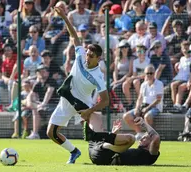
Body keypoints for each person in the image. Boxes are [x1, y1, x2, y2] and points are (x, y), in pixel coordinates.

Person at [46, 7, 109, 164]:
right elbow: (74, 36)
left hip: (83, 105)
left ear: (99, 59)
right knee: (51, 133)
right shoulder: (80, 55)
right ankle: (74, 152)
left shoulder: (98, 77)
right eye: (87, 54)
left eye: (91, 56)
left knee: (96, 133)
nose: (87, 57)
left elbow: (106, 100)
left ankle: (109, 153)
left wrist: (90, 110)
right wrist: (65, 17)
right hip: (67, 99)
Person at [86, 116, 160, 165]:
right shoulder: (137, 152)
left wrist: (143, 123)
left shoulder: (151, 155)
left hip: (104, 157)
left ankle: (94, 135)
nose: (141, 139)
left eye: (145, 138)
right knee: (94, 116)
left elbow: (156, 137)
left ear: (151, 143)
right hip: (98, 149)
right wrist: (113, 134)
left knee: (132, 138)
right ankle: (94, 134)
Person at [123, 65, 164, 140]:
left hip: (155, 107)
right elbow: (140, 98)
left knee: (147, 116)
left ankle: (151, 135)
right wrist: (137, 108)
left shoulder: (159, 83)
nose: (149, 75)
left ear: (154, 73)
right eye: (147, 73)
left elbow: (158, 100)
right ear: (145, 74)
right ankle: (140, 133)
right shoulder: (143, 84)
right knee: (126, 116)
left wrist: (147, 108)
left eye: (151, 73)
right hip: (143, 106)